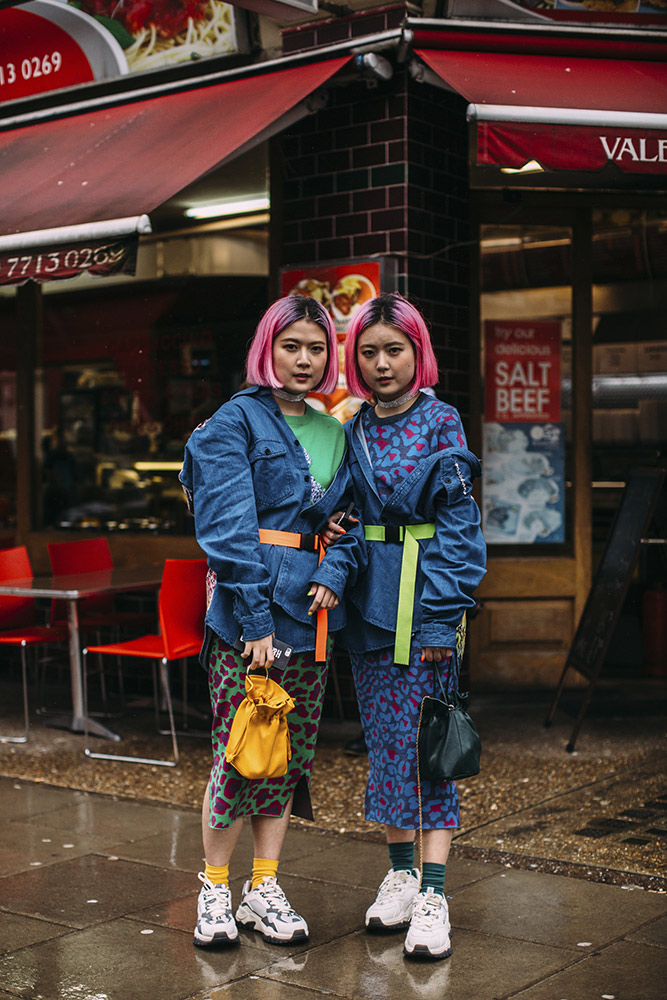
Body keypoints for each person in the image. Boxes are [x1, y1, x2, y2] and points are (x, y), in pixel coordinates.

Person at [179, 295, 365, 951]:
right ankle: (212, 891)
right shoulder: (233, 422)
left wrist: (333, 575)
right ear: (267, 348)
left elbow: (346, 525)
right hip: (246, 622)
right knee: (238, 758)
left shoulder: (336, 431)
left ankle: (262, 888)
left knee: (285, 761)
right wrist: (255, 619)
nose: (305, 360)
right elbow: (227, 532)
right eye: (292, 346)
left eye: (317, 348)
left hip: (312, 620)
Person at [324, 293, 486, 961]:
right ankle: (398, 873)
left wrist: (441, 617)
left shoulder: (441, 422)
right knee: (386, 745)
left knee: (430, 751)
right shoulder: (352, 427)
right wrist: (327, 524)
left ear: (417, 353)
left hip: (424, 608)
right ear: (354, 361)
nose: (381, 363)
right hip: (367, 608)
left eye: (394, 349)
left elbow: (459, 526)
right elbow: (333, 506)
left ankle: (434, 895)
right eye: (368, 352)